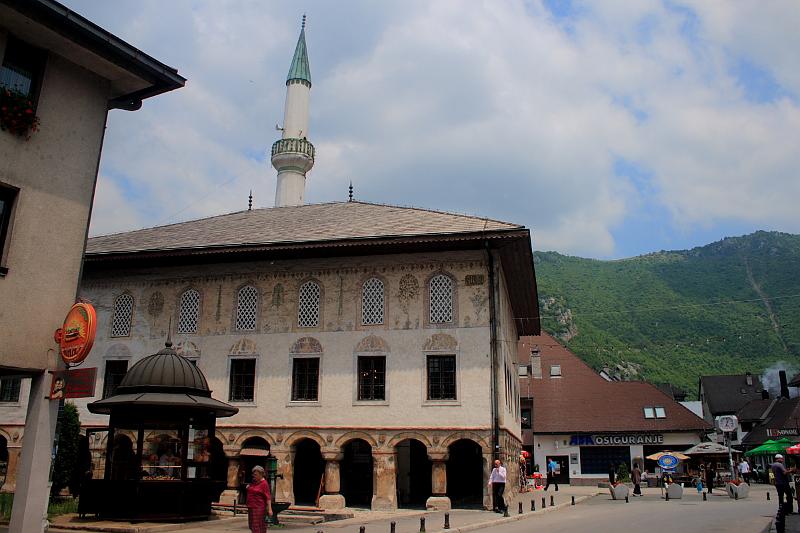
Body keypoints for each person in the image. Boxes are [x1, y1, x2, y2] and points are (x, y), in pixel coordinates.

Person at [246, 465, 273, 533]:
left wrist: (270, 509)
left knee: (257, 526)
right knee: (252, 526)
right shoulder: (254, 482)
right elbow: (252, 489)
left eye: (255, 474)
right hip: (251, 507)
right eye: (253, 474)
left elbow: (268, 497)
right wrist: (248, 487)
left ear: (261, 474)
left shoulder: (264, 484)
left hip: (259, 508)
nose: (254, 476)